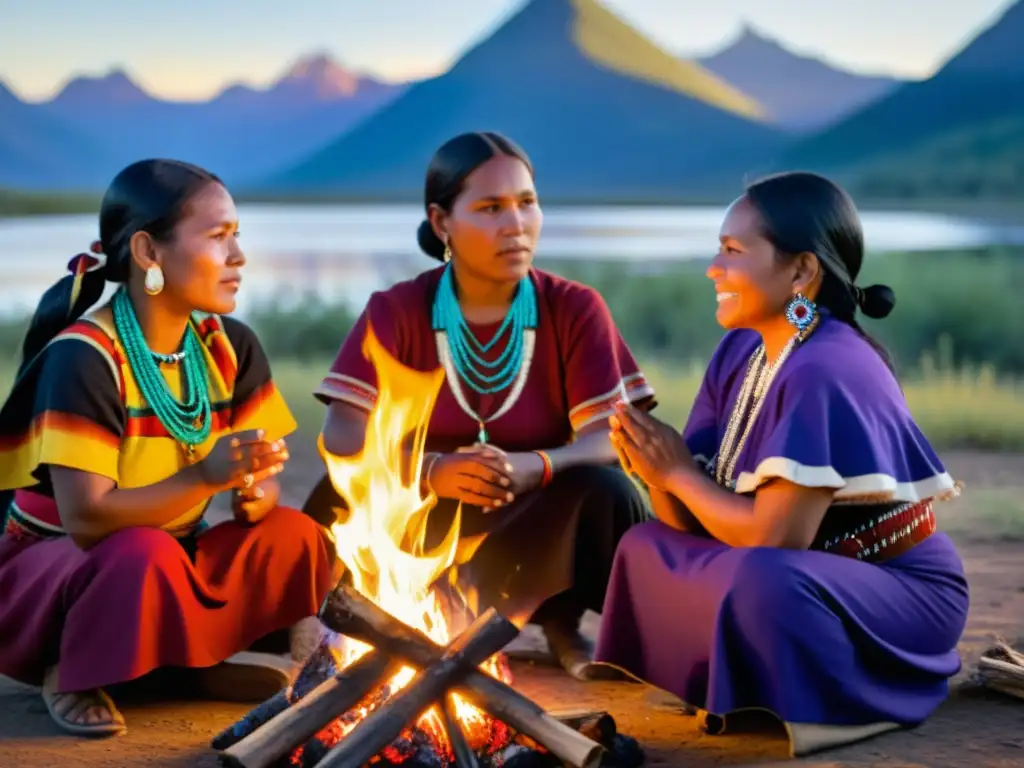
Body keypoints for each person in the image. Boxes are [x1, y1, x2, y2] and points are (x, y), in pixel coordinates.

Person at [596, 171, 970, 755]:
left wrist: (676, 474)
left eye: (733, 251)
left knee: (759, 582)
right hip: (792, 568)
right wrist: (649, 464)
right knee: (643, 548)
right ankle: (738, 683)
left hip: (898, 590)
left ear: (801, 271)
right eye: (718, 249)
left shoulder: (826, 366)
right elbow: (687, 520)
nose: (712, 268)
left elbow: (776, 537)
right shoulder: (741, 349)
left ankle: (841, 710)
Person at [0, 159, 336, 738]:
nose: (238, 256)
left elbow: (261, 485)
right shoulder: (85, 356)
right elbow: (86, 519)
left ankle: (187, 667)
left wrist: (256, 488)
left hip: (169, 554)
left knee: (292, 534)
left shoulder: (229, 346)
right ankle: (71, 669)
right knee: (143, 555)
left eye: (237, 235)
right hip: (66, 567)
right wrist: (207, 477)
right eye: (217, 236)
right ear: (149, 253)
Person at [303, 131, 655, 680]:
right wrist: (432, 473)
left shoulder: (574, 308)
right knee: (332, 497)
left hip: (534, 516)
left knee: (608, 494)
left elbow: (611, 434)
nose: (515, 224)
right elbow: (342, 437)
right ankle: (402, 625)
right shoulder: (396, 309)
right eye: (491, 208)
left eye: (526, 203)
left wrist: (534, 466)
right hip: (424, 521)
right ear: (443, 222)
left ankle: (561, 622)